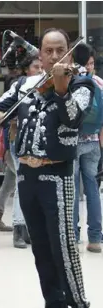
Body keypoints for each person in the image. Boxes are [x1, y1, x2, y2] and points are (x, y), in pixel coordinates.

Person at [0, 28, 93, 308]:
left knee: (64, 249)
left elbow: (73, 118)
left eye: (60, 51)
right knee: (41, 250)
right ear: (40, 55)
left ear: (69, 52)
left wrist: (60, 88)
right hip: (27, 177)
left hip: (56, 176)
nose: (55, 57)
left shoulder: (81, 83)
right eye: (49, 51)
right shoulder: (25, 85)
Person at [0, 56, 42, 248]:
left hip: (38, 144)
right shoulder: (20, 87)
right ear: (27, 70)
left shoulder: (47, 87)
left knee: (19, 184)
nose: (39, 70)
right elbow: (3, 110)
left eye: (41, 67)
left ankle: (25, 227)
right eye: (35, 67)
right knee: (21, 184)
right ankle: (18, 229)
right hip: (19, 142)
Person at [73, 43, 103, 253]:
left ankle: (73, 235)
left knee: (72, 190)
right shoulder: (100, 82)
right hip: (93, 141)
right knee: (92, 189)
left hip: (73, 142)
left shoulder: (72, 79)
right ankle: (95, 239)